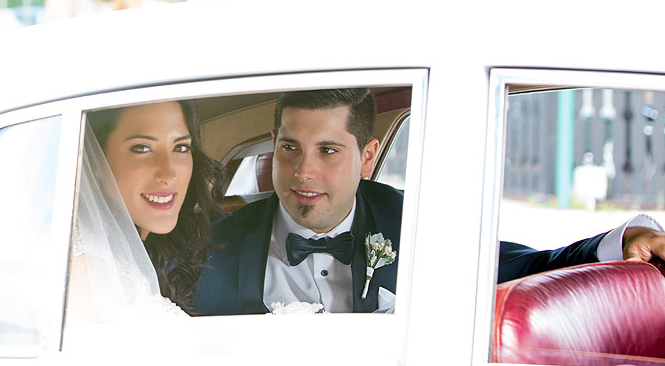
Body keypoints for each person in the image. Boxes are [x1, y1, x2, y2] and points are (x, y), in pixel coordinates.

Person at [195, 87, 665, 315]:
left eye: (329, 151)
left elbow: (522, 269)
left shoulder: (413, 223)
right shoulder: (214, 247)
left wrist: (622, 242)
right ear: (274, 143)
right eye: (289, 148)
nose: (303, 172)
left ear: (368, 156)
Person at [67, 100, 222, 323]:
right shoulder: (84, 270)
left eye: (180, 147)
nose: (169, 174)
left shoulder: (138, 252)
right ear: (95, 162)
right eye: (142, 148)